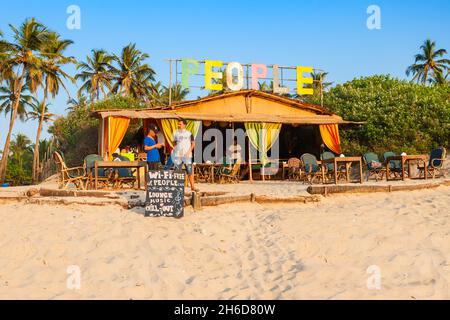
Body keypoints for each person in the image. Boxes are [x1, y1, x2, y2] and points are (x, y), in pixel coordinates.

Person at [173, 118, 199, 192]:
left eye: (180, 124)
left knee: (189, 172)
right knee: (177, 172)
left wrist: (189, 152)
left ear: (184, 125)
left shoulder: (189, 133)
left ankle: (192, 187)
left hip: (187, 156)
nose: (178, 125)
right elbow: (174, 143)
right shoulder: (176, 134)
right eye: (178, 124)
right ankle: (177, 188)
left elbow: (193, 143)